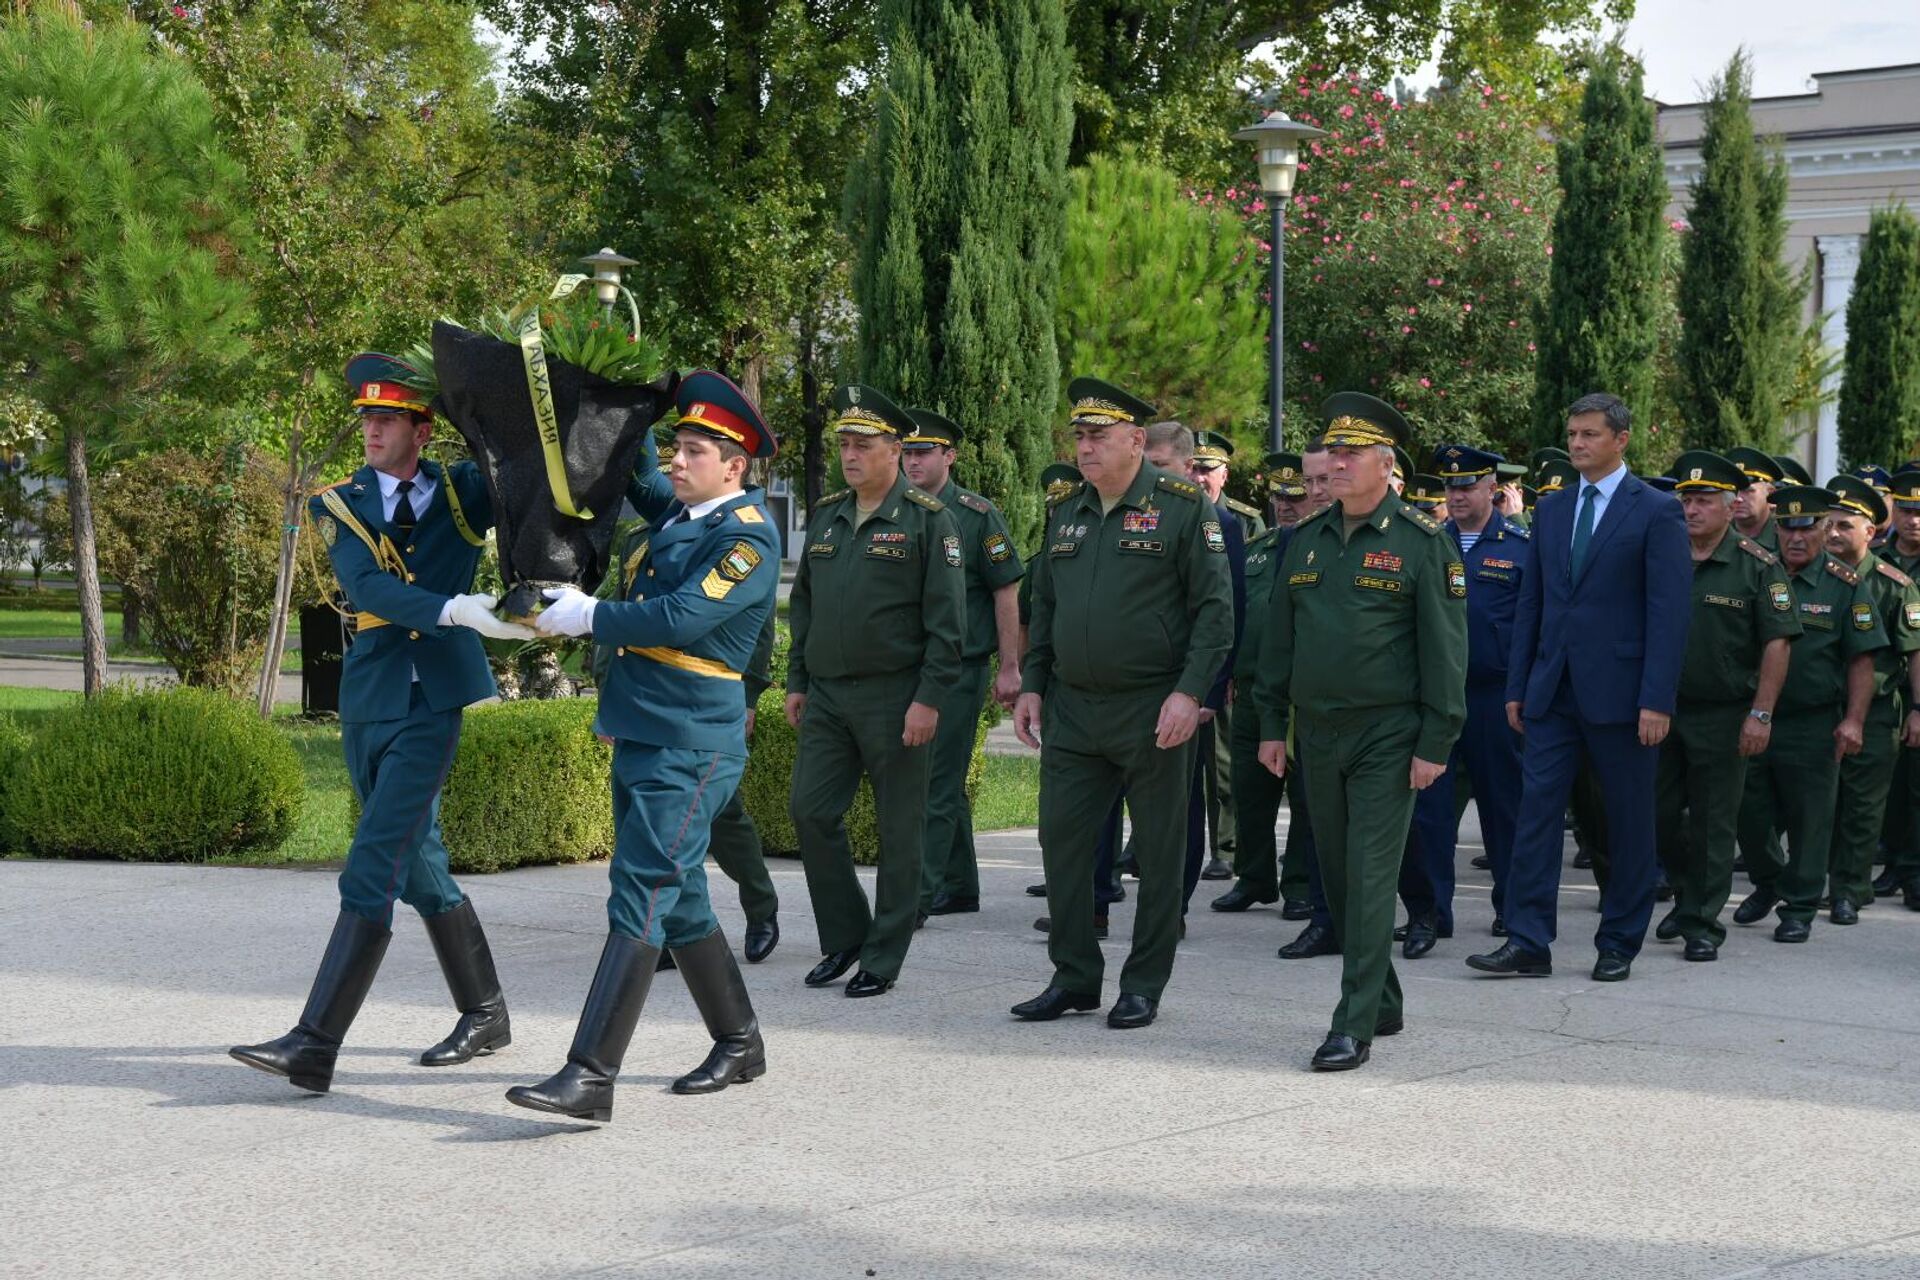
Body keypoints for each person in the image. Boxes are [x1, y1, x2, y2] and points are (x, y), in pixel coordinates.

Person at [232, 353, 534, 1095]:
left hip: (435, 698)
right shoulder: (336, 503)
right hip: (370, 696)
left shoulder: (466, 491)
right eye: (366, 417)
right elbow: (366, 586)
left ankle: (315, 1042)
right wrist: (453, 608)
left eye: (387, 418)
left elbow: (531, 475)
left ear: (422, 429)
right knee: (421, 861)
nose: (370, 429)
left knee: (375, 858)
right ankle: (486, 1012)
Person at [505, 372, 782, 1122]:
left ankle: (591, 1074)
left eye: (695, 451)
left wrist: (589, 615)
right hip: (646, 732)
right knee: (681, 896)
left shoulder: (747, 538)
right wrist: (614, 402)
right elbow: (636, 472)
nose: (679, 462)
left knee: (642, 889)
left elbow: (682, 617)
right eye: (679, 446)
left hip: (692, 745)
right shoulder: (686, 519)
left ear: (736, 465)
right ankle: (740, 1040)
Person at [1010, 378, 1233, 1029]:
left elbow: (1215, 613)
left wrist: (1191, 693)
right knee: (1063, 844)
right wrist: (1032, 684)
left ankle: (1144, 982)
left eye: (1098, 436)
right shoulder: (1068, 512)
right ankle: (1075, 975)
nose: (1085, 448)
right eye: (1079, 436)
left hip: (1153, 708)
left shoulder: (1183, 507)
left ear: (1136, 440)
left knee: (1161, 854)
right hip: (1075, 711)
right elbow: (1045, 610)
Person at [1254, 393, 1466, 1071]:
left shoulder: (1420, 543)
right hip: (1316, 733)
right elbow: (1277, 646)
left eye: (1350, 455)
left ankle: (1352, 1023)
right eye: (1332, 453)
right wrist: (1270, 724)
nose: (1335, 464)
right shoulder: (1305, 541)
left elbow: (1445, 652)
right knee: (1341, 883)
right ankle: (1385, 997)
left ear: (1385, 465)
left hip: (1388, 735)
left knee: (1372, 878)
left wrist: (1436, 742)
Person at [1467, 392, 1690, 984]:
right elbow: (1532, 604)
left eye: (1589, 435)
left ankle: (1619, 939)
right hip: (1552, 692)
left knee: (1625, 819)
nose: (1576, 444)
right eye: (1571, 434)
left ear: (1621, 439)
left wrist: (1656, 700)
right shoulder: (1556, 509)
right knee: (1536, 813)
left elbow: (1668, 614)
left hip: (1624, 696)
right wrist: (1519, 685)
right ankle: (1528, 939)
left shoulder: (1656, 510)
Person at [785, 385, 965, 998]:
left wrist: (929, 698)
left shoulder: (929, 521)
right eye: (844, 444)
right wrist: (798, 680)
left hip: (897, 697)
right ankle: (846, 936)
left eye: (863, 444)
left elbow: (948, 624)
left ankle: (884, 956)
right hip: (831, 697)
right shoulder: (830, 514)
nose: (850, 454)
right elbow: (803, 603)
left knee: (899, 829)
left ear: (895, 450)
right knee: (810, 811)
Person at [592, 511, 783, 966]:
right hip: (642, 707)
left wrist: (750, 694)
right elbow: (627, 612)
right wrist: (609, 695)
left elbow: (754, 630)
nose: (674, 468)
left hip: (698, 711)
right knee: (657, 838)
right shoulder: (643, 535)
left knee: (725, 822)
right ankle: (668, 931)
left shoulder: (737, 536)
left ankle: (761, 907)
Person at [1648, 452, 1798, 962]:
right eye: (1686, 500)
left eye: (1703, 501)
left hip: (1723, 711)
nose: (1691, 510)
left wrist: (1761, 714)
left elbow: (1778, 643)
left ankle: (1702, 923)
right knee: (1657, 814)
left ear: (1731, 507)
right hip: (1661, 708)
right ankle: (1689, 895)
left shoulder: (1759, 567)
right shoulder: (1661, 556)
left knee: (1714, 821)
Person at [1729, 485, 1880, 945]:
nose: (1797, 538)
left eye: (1808, 527)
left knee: (1811, 819)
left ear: (1824, 528)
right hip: (1752, 716)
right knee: (1745, 810)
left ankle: (1798, 906)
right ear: (1777, 529)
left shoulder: (1845, 585)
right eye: (1788, 527)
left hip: (1813, 721)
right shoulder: (1755, 572)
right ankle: (1771, 878)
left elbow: (1862, 660)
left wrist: (1853, 720)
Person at [1402, 444, 1528, 958]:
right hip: (1436, 697)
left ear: (1491, 489)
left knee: (1506, 809)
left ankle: (1513, 910)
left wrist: (1523, 695)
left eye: (1467, 485)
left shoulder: (1521, 546)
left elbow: (1532, 630)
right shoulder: (1429, 542)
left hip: (1495, 698)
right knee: (1428, 812)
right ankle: (1429, 915)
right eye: (1450, 486)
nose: (1455, 495)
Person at [901, 408, 1025, 921]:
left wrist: (1009, 667)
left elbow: (1006, 591)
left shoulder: (976, 514)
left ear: (948, 457)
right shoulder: (901, 510)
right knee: (937, 778)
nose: (913, 462)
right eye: (907, 452)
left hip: (959, 667)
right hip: (912, 666)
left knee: (935, 779)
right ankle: (959, 884)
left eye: (923, 452)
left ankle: (919, 896)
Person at [1807, 476, 1920, 925]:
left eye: (1844, 526)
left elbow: (1914, 654)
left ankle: (1849, 890)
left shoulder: (1895, 586)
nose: (1832, 534)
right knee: (1818, 802)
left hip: (1874, 712)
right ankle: (1809, 881)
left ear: (1870, 532)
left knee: (1861, 806)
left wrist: (1917, 710)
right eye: (1828, 525)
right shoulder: (1811, 579)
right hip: (1817, 708)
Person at [1213, 455, 1309, 915]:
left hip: (1304, 692)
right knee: (1249, 789)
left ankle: (1301, 885)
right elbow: (1233, 615)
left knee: (1307, 796)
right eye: (1278, 497)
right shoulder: (1257, 549)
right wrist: (1227, 670)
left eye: (1296, 496)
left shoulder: (1322, 549)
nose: (1286, 506)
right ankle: (1254, 877)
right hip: (1252, 689)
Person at [1183, 426, 1252, 881]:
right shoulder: (1179, 513)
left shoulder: (1241, 523)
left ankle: (1225, 846)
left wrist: (1229, 670)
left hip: (1221, 661)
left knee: (1220, 763)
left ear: (1224, 474)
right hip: (1180, 661)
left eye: (1209, 470)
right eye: (1196, 468)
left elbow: (1238, 601)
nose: (1200, 478)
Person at [1875, 470, 1920, 907]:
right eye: (1906, 510)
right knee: (1890, 782)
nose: (1914, 520)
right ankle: (1890, 863)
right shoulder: (1876, 558)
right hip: (1887, 686)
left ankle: (1913, 869)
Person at [1727, 447, 1783, 552]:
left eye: (1748, 491)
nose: (1738, 498)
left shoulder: (1785, 540)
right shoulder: (1716, 536)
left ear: (1770, 494)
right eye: (1733, 491)